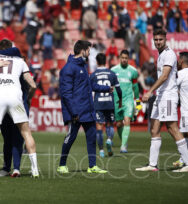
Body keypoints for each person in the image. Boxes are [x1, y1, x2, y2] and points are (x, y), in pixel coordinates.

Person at [0, 42, 39, 178]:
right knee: (26, 133)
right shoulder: (20, 61)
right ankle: (34, 169)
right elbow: (32, 84)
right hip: (15, 99)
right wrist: (29, 97)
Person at [137, 29, 188, 172]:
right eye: (156, 40)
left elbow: (165, 76)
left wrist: (149, 91)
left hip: (168, 96)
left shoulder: (169, 54)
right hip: (161, 96)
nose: (158, 42)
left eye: (160, 39)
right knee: (154, 129)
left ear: (165, 40)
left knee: (172, 128)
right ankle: (152, 165)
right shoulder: (160, 55)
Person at [57, 40, 111, 174]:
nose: (90, 53)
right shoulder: (68, 68)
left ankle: (92, 166)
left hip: (87, 110)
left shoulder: (83, 66)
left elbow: (89, 86)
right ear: (83, 51)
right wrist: (73, 112)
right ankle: (62, 165)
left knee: (92, 137)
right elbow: (66, 93)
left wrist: (105, 88)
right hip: (76, 112)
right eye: (89, 50)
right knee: (71, 138)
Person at [90, 53, 122, 158]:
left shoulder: (93, 75)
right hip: (109, 102)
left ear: (97, 62)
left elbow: (90, 91)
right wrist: (120, 100)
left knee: (99, 126)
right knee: (110, 124)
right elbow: (118, 89)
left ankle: (101, 151)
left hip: (98, 103)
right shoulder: (112, 74)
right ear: (106, 61)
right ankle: (109, 139)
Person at [111, 50, 141, 153]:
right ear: (119, 58)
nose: (124, 59)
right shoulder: (113, 70)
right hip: (117, 100)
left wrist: (138, 103)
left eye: (126, 58)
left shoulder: (133, 71)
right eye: (122, 58)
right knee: (119, 124)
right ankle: (124, 141)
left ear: (128, 59)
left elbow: (136, 88)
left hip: (128, 100)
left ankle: (123, 146)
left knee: (127, 120)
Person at [173, 52, 188, 168]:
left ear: (182, 61)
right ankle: (183, 158)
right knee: (185, 135)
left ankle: (185, 160)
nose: (178, 61)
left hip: (187, 110)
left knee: (185, 134)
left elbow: (171, 87)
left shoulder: (181, 74)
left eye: (179, 59)